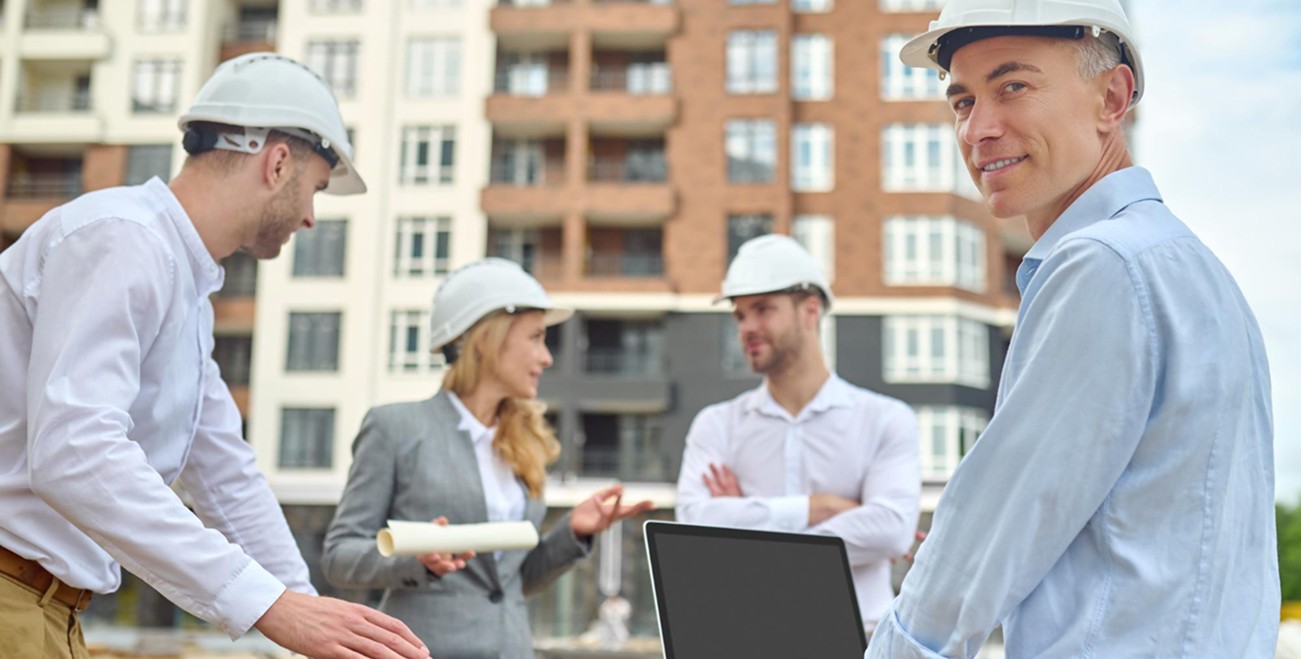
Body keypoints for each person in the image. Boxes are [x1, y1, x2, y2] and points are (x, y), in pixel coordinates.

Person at [867, 1, 1278, 656]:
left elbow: (984, 541)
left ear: (1110, 99)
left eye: (1012, 86)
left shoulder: (1101, 267)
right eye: (962, 101)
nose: (979, 128)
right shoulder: (1196, 273)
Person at [0, 52, 430, 659]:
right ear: (278, 163)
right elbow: (75, 452)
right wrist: (274, 608)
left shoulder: (184, 292)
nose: (310, 217)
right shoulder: (124, 239)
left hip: (45, 610)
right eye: (316, 190)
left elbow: (227, 476)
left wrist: (314, 627)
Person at [322, 258, 654, 658]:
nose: (546, 358)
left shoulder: (525, 441)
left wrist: (573, 534)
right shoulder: (396, 427)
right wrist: (417, 559)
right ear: (486, 338)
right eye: (535, 338)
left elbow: (511, 581)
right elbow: (340, 556)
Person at [674, 234, 921, 633]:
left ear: (810, 311)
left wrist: (746, 538)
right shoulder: (716, 424)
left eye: (763, 310)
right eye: (739, 315)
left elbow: (890, 530)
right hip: (748, 636)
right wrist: (821, 508)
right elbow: (691, 527)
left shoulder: (886, 419)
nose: (747, 328)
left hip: (859, 638)